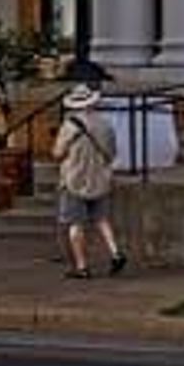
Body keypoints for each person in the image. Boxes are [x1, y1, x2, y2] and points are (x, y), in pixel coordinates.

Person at [52, 83, 126, 279]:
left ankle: (82, 266)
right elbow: (111, 153)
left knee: (75, 223)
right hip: (100, 178)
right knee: (102, 219)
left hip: (74, 179)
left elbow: (57, 153)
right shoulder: (105, 124)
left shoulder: (69, 126)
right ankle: (116, 253)